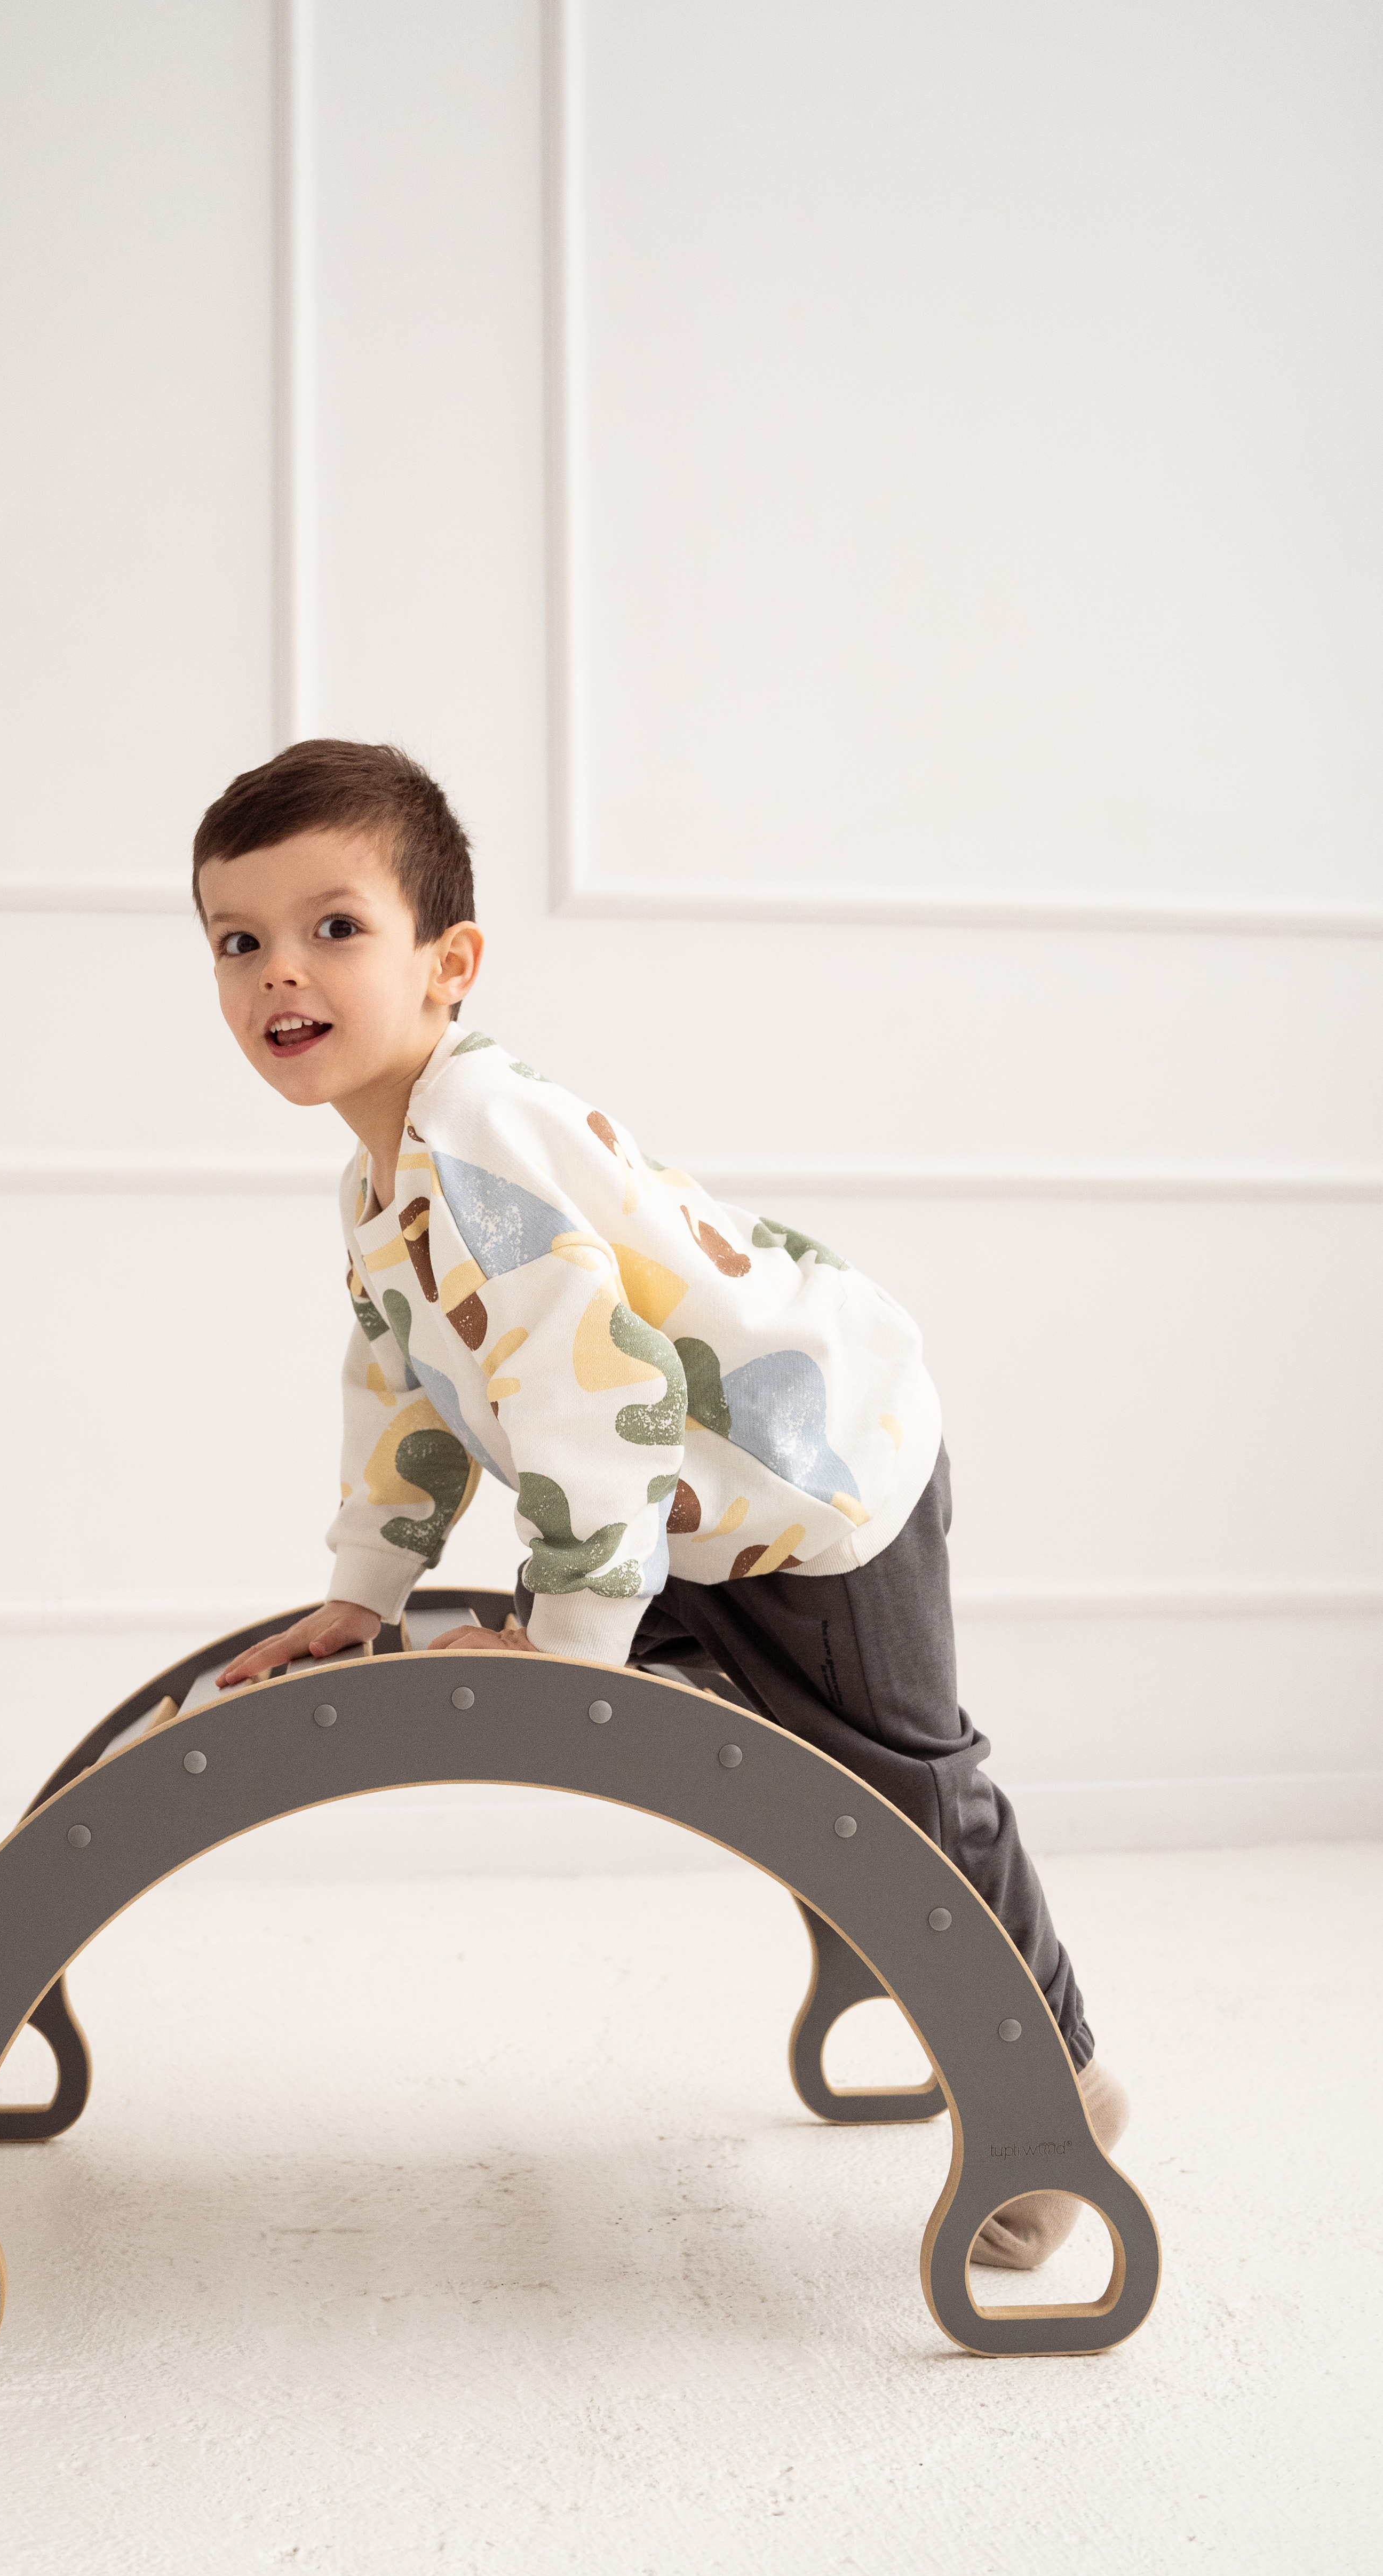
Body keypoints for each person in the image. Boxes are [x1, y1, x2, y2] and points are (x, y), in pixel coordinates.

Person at [200, 738, 1125, 2270]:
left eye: (333, 928)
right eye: (239, 943)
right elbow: (405, 1391)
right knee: (773, 1757)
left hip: (810, 1482)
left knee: (903, 1790)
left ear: (449, 965)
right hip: (677, 1505)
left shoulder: (481, 1139)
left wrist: (567, 1645)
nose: (278, 973)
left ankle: (1059, 2092)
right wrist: (367, 1588)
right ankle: (978, 2034)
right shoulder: (380, 1181)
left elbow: (596, 1390)